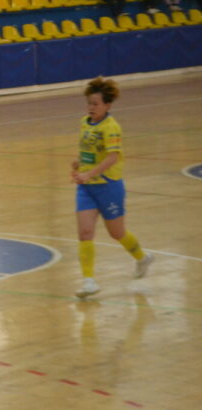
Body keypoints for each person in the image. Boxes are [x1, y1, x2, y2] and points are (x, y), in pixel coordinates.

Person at [70, 77, 153, 299]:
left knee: (117, 232)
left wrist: (89, 172)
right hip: (86, 188)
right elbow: (88, 151)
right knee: (85, 232)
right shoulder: (84, 122)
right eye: (89, 103)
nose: (91, 108)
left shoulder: (112, 127)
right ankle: (89, 281)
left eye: (96, 104)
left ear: (107, 105)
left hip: (109, 186)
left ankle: (142, 258)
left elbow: (112, 157)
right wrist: (79, 164)